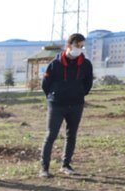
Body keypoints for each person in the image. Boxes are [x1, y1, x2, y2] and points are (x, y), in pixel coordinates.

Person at [40, 32, 93, 178]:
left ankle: (66, 165)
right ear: (69, 45)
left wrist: (79, 94)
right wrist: (53, 97)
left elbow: (88, 83)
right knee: (51, 135)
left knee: (71, 135)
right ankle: (44, 168)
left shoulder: (86, 64)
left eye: (82, 46)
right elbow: (45, 85)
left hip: (76, 105)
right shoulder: (55, 64)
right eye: (78, 46)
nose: (80, 49)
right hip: (57, 105)